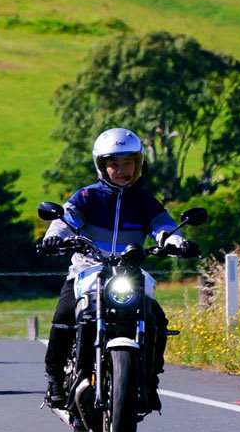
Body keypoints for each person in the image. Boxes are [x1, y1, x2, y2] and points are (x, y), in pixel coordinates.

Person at [41, 127, 195, 412]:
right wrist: (55, 236)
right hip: (87, 272)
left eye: (128, 163)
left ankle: (149, 380)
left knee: (157, 318)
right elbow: (65, 219)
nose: (121, 170)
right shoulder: (86, 197)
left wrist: (176, 241)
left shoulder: (146, 202)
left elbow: (164, 227)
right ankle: (54, 380)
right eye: (114, 163)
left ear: (138, 164)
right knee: (63, 315)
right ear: (102, 165)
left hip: (128, 272)